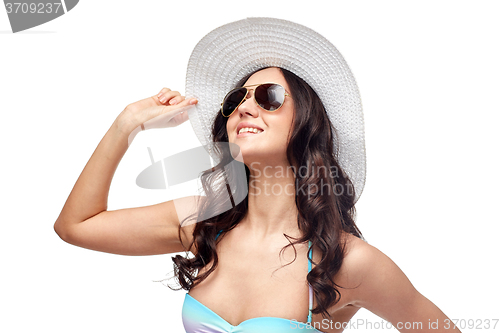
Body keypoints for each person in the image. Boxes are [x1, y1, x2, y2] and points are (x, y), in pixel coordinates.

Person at [54, 18, 462, 333]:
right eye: (237, 100)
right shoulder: (204, 222)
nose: (245, 109)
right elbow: (75, 225)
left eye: (269, 98)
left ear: (307, 124)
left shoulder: (348, 261)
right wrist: (127, 124)